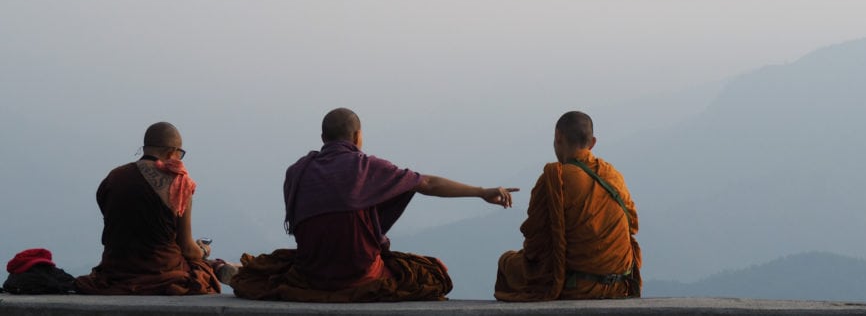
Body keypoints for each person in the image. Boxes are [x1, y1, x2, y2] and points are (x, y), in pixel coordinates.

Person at [231, 107, 518, 302]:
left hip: (311, 273)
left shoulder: (297, 172)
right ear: (357, 137)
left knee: (270, 266)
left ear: (323, 139)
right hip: (360, 275)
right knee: (431, 273)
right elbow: (426, 183)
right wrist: (482, 191)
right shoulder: (365, 167)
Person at [495, 111, 642, 301]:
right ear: (593, 142)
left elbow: (534, 248)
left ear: (558, 137)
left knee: (507, 261)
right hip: (619, 285)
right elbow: (632, 226)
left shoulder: (555, 178)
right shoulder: (613, 176)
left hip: (574, 286)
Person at [75, 122, 230, 295]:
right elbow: (187, 249)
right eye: (181, 154)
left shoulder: (114, 177)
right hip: (163, 273)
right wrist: (202, 250)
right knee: (201, 268)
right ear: (171, 152)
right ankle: (218, 266)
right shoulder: (179, 184)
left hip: (117, 272)